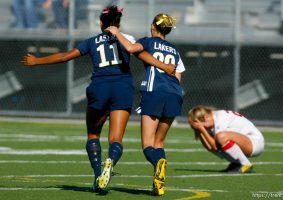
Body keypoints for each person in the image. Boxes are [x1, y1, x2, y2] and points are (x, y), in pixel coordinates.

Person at [21, 5, 175, 192]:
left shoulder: (92, 41)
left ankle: (97, 175)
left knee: (93, 134)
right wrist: (164, 67)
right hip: (123, 89)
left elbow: (65, 57)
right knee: (116, 139)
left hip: (99, 88)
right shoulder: (127, 40)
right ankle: (110, 162)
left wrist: (37, 61)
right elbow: (143, 55)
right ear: (118, 23)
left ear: (101, 23)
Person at [106, 13, 185, 196]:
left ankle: (159, 163)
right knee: (159, 142)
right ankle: (159, 183)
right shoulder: (175, 50)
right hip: (174, 94)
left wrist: (117, 32)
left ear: (153, 26)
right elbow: (178, 77)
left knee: (148, 144)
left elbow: (131, 48)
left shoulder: (148, 41)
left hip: (154, 91)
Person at [188, 105, 265, 173]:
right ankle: (236, 163)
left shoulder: (220, 117)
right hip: (247, 142)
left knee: (221, 137)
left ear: (206, 117)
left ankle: (246, 164)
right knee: (215, 140)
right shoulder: (210, 121)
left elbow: (215, 145)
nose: (203, 126)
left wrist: (201, 128)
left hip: (255, 143)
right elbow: (210, 147)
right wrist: (199, 130)